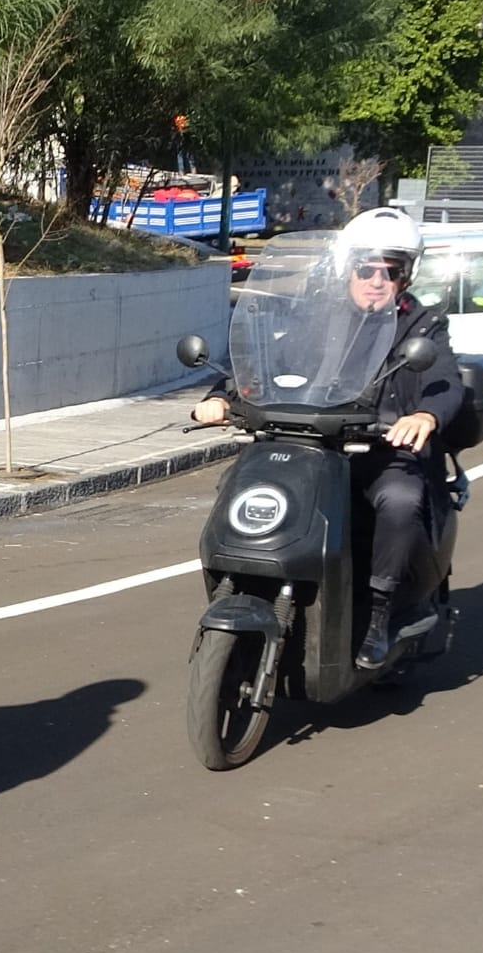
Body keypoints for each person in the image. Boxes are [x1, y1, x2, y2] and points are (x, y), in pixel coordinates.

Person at [192, 207, 463, 670]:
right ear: (347, 269)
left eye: (391, 270)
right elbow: (263, 360)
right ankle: (238, 588)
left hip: (380, 451)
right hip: (310, 448)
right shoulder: (316, 316)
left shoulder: (421, 325)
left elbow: (445, 380)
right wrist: (220, 395)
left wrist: (424, 415)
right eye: (366, 268)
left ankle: (379, 612)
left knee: (400, 499)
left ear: (406, 276)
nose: (377, 279)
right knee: (236, 487)